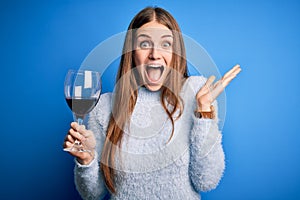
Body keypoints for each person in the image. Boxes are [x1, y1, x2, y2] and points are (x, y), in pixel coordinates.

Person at [63, 6, 241, 200]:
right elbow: (93, 194)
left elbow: (207, 181)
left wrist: (204, 112)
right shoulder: (104, 108)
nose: (155, 54)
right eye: (145, 43)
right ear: (131, 52)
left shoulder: (196, 93)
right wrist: (87, 160)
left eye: (165, 44)